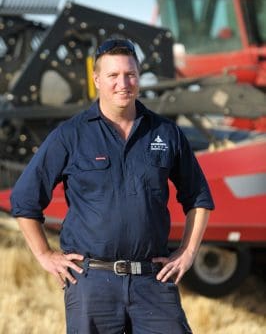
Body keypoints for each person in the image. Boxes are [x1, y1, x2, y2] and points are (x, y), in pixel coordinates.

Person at [11, 38, 214, 334]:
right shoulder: (70, 135)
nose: (123, 83)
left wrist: (187, 251)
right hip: (92, 284)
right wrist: (45, 255)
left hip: (153, 281)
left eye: (130, 74)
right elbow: (25, 201)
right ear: (96, 80)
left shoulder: (166, 133)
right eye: (113, 76)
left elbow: (199, 197)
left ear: (139, 77)